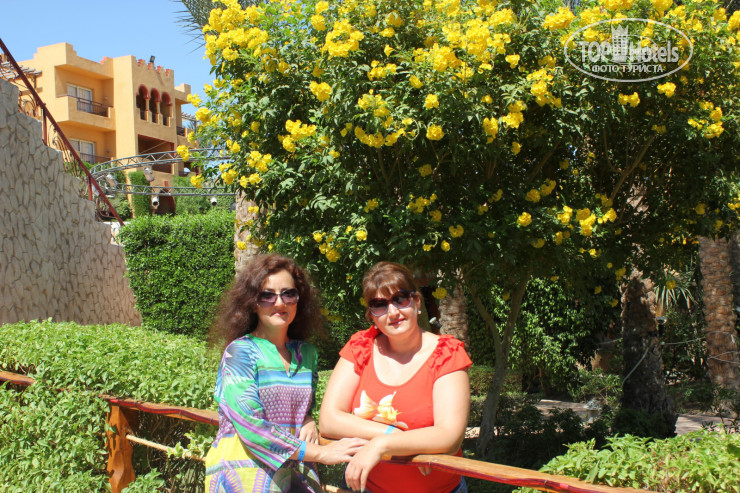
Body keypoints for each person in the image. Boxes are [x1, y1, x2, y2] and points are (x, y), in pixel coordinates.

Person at [204, 254, 366, 493]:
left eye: (288, 294)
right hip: (244, 478)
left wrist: (308, 419)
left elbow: (299, 408)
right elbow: (251, 425)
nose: (279, 303)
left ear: (299, 300)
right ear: (252, 302)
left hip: (295, 479)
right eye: (267, 295)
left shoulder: (307, 355)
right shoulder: (240, 354)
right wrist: (320, 453)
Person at [319, 261, 472, 493]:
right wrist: (394, 434)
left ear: (416, 302)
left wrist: (381, 445)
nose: (392, 312)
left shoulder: (446, 354)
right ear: (371, 314)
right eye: (379, 305)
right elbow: (329, 420)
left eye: (400, 299)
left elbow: (449, 437)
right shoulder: (361, 347)